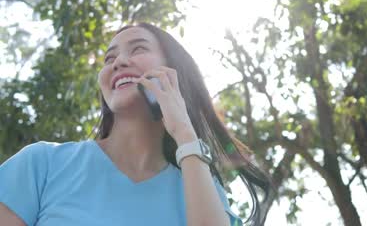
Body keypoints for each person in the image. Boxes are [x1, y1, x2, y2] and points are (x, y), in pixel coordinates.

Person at [0, 22, 272, 226]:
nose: (119, 62)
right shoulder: (41, 164)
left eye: (138, 48)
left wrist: (185, 134)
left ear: (173, 69)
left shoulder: (199, 185)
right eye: (109, 58)